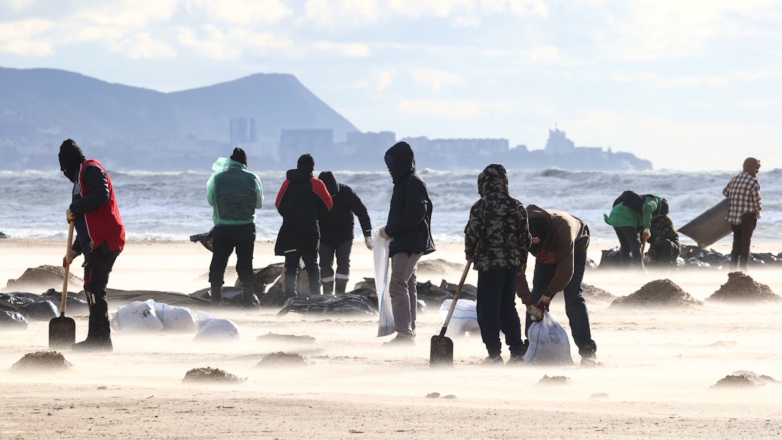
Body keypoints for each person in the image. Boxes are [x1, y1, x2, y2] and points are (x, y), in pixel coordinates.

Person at [59, 139, 125, 351]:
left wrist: (74, 207)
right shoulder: (80, 176)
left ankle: (100, 340)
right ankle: (97, 338)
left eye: (64, 169)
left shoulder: (90, 170)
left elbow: (101, 195)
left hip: (105, 240)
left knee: (94, 286)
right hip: (96, 240)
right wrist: (75, 250)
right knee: (92, 286)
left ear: (68, 164)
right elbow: (87, 223)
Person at [464, 164, 530, 365]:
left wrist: (469, 253)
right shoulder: (517, 205)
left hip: (488, 265)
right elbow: (525, 238)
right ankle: (517, 351)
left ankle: (494, 354)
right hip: (511, 265)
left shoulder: (481, 206)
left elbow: (471, 233)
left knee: (487, 308)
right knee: (507, 306)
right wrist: (522, 262)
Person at [519, 205, 597, 362]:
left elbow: (566, 271)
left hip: (576, 246)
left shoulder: (564, 230)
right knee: (536, 298)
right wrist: (528, 303)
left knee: (573, 297)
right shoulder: (519, 230)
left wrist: (548, 295)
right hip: (547, 251)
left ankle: (587, 349)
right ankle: (530, 344)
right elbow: (517, 272)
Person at [378, 142, 435, 345]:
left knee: (398, 284)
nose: (389, 169)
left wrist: (389, 230)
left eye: (391, 164)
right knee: (408, 283)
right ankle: (408, 331)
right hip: (406, 241)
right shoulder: (405, 181)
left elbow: (415, 214)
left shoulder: (413, 182)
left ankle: (404, 334)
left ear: (400, 162)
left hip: (410, 243)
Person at [207, 148, 264, 307]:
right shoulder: (253, 178)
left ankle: (215, 301)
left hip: (223, 229)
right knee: (245, 264)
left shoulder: (217, 177)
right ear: (244, 164)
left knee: (218, 264)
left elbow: (211, 200)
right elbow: (259, 204)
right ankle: (247, 301)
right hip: (245, 229)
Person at [275, 154, 333, 296]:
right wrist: (315, 215)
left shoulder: (287, 183)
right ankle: (315, 296)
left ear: (298, 165)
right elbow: (328, 205)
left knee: (291, 266)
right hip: (310, 230)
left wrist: (290, 216)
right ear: (312, 167)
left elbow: (278, 204)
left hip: (290, 230)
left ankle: (290, 296)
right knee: (312, 264)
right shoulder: (316, 183)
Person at [317, 172, 373, 295]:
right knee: (325, 263)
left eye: (333, 194)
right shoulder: (316, 194)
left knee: (343, 262)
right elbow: (307, 216)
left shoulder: (346, 192)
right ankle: (327, 294)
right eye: (328, 195)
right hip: (324, 235)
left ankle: (340, 294)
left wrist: (367, 235)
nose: (331, 197)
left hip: (344, 234)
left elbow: (362, 212)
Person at [604, 191, 669, 268]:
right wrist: (647, 227)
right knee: (634, 244)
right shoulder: (654, 201)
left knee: (625, 245)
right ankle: (640, 269)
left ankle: (623, 269)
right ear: (661, 210)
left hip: (614, 216)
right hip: (625, 216)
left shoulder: (641, 206)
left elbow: (635, 232)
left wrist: (640, 243)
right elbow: (647, 207)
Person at [724, 157, 762, 272]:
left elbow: (725, 193)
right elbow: (757, 202)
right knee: (745, 243)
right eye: (756, 168)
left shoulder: (734, 179)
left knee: (736, 243)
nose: (757, 171)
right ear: (751, 167)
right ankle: (743, 269)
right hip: (747, 217)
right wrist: (758, 213)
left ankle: (732, 269)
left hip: (733, 218)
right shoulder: (753, 181)